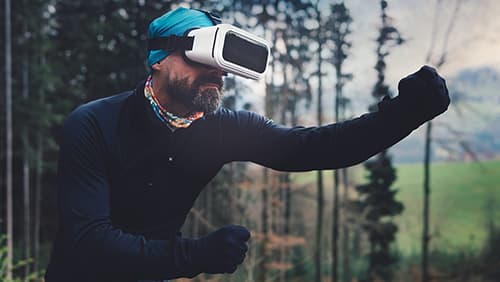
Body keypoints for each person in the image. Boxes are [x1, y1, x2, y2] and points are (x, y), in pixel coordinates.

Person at [45, 7, 450, 282]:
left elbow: (315, 148)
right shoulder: (94, 124)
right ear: (158, 59)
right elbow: (89, 241)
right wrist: (194, 256)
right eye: (203, 60)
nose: (217, 75)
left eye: (222, 67)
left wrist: (401, 116)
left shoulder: (224, 129)